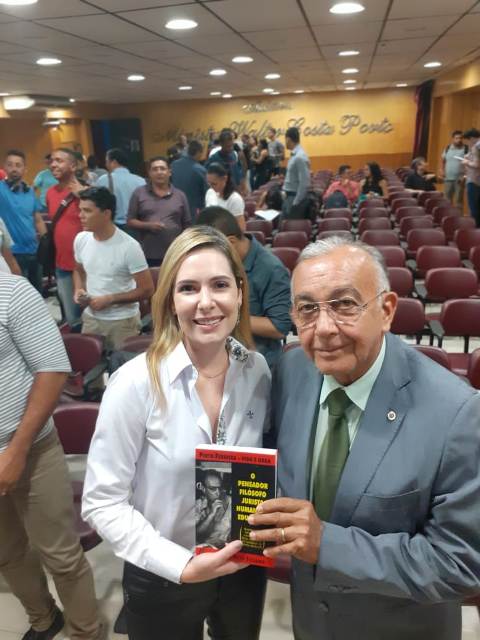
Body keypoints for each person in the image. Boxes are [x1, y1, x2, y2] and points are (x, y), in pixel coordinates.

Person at [248, 236, 480, 640]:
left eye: (344, 305)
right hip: (310, 623)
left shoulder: (457, 413)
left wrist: (327, 545)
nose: (323, 329)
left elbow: (459, 563)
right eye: (307, 309)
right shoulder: (292, 371)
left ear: (386, 310)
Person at [82, 226, 271, 640]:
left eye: (219, 285)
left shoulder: (256, 370)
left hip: (242, 563)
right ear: (170, 299)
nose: (206, 302)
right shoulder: (135, 383)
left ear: (240, 293)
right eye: (188, 288)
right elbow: (102, 502)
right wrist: (180, 565)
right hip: (163, 570)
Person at [0, 273, 103, 640]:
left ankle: (85, 632)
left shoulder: (11, 292)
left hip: (30, 450)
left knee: (60, 555)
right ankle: (44, 619)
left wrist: (16, 451)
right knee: (7, 552)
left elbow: (53, 370)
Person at [196, 206, 291, 369]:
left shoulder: (271, 268)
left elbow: (279, 328)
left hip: (256, 360)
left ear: (231, 242)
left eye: (212, 250)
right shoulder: (219, 262)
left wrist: (227, 316)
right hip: (217, 353)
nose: (208, 257)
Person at [73, 187, 154, 351]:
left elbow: (147, 289)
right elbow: (78, 270)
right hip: (91, 318)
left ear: (106, 213)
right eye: (80, 210)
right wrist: (79, 289)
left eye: (87, 211)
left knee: (122, 365)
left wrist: (111, 299)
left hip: (122, 322)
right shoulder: (81, 239)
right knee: (89, 364)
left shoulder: (129, 247)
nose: (80, 215)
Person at [127, 156, 191, 267]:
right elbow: (130, 221)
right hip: (147, 254)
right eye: (155, 169)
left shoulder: (180, 195)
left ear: (169, 172)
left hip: (174, 253)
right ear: (149, 173)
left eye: (162, 168)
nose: (159, 172)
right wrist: (148, 225)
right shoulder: (139, 193)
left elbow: (187, 224)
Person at [46, 148, 84, 327]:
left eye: (59, 161)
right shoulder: (50, 193)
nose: (53, 164)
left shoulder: (87, 193)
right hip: (62, 265)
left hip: (86, 267)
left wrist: (82, 195)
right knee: (72, 318)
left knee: (91, 315)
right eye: (52, 161)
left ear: (73, 166)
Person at [0, 149, 46, 291]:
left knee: (38, 294)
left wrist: (46, 242)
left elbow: (37, 219)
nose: (14, 169)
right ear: (4, 167)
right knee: (20, 296)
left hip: (34, 252)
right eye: (10, 165)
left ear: (25, 169)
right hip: (12, 255)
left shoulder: (29, 191)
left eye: (18, 165)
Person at [96, 148, 146, 231]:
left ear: (114, 162)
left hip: (113, 227)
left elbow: (97, 203)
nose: (106, 164)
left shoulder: (103, 180)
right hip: (136, 226)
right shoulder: (141, 181)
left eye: (107, 161)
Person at [170, 140, 208, 220]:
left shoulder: (173, 165)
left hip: (175, 209)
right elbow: (207, 193)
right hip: (194, 212)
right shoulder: (200, 170)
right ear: (198, 152)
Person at [195, 469, 232, 549]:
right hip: (203, 549)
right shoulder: (198, 505)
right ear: (202, 488)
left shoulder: (231, 502)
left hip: (224, 549)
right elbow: (196, 535)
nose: (218, 493)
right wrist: (211, 514)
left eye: (220, 488)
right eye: (212, 489)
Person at [205, 163, 246, 230]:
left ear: (224, 179)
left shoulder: (235, 199)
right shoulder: (210, 192)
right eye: (209, 183)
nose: (211, 187)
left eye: (214, 184)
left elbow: (241, 229)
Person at [282, 127, 310, 219]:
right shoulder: (294, 155)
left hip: (293, 198)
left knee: (289, 225)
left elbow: (304, 183)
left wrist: (296, 203)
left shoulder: (299, 157)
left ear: (288, 139)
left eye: (285, 140)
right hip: (289, 197)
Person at [441, 130, 467, 205]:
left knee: (458, 201)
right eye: (457, 138)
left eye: (460, 138)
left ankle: (458, 213)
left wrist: (464, 177)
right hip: (448, 179)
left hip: (459, 179)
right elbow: (443, 160)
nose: (459, 140)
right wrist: (442, 170)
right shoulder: (447, 148)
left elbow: (468, 165)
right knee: (446, 200)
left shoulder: (466, 149)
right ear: (453, 139)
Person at [462, 128, 480, 227]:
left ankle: (475, 231)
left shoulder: (476, 147)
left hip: (474, 181)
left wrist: (466, 162)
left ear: (472, 138)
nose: (468, 143)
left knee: (474, 208)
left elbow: (477, 165)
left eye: (468, 140)